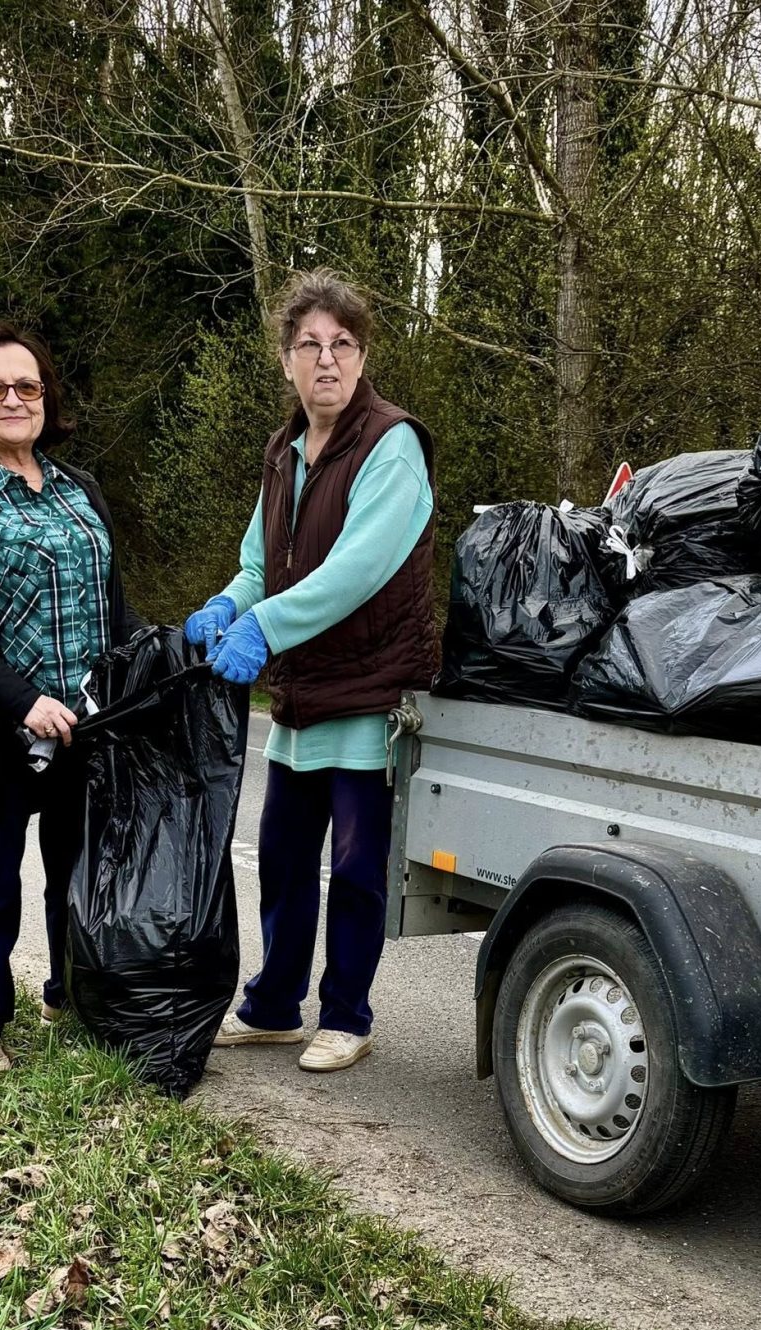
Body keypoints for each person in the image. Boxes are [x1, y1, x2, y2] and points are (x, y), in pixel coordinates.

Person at [186, 270, 437, 1072]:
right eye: (309, 344)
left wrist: (263, 627)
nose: (326, 359)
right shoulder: (283, 452)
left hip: (369, 693)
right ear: (286, 359)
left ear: (363, 357)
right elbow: (259, 564)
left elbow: (357, 570)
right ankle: (272, 1006)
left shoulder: (392, 445)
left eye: (343, 344)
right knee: (284, 861)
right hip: (301, 694)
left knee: (356, 870)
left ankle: (347, 1016)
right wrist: (228, 605)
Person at [0, 321, 141, 1073]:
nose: (13, 399)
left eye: (27, 386)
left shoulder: (81, 490)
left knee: (78, 874)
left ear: (47, 398)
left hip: (89, 724)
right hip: (2, 728)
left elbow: (111, 605)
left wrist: (154, 660)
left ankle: (67, 996)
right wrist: (23, 701)